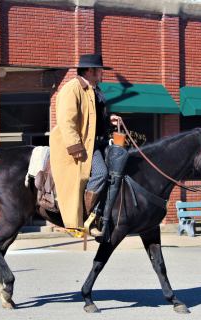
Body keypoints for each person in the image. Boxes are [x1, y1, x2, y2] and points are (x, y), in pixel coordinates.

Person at [49, 53, 121, 237]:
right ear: (90, 71)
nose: (102, 74)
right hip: (82, 145)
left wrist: (109, 119)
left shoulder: (94, 90)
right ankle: (87, 217)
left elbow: (95, 117)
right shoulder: (72, 89)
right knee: (100, 173)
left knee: (119, 166)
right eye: (100, 71)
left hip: (96, 141)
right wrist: (76, 147)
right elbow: (67, 121)